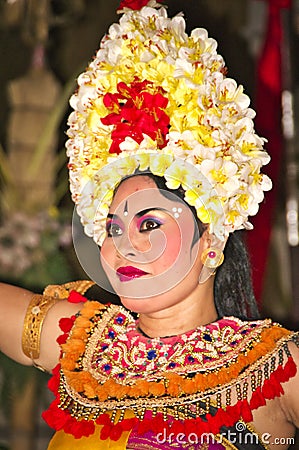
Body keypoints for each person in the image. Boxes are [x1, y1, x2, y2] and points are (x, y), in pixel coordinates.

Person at [0, 1, 299, 449]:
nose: (123, 246)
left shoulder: (273, 369)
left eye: (149, 223)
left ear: (210, 242)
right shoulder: (81, 342)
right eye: (114, 229)